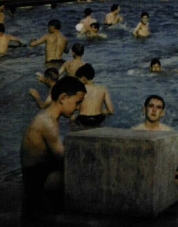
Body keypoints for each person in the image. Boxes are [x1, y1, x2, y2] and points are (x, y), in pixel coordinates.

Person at [20, 77, 86, 220]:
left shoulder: (49, 117)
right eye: (77, 102)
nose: (78, 107)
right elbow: (63, 157)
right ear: (63, 98)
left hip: (39, 170)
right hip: (35, 177)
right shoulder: (47, 123)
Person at [73, 64, 114, 129]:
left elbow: (74, 108)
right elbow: (111, 111)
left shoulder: (78, 90)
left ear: (83, 79)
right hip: (99, 119)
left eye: (78, 79)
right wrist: (102, 112)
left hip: (83, 119)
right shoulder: (103, 89)